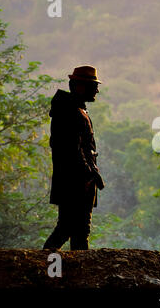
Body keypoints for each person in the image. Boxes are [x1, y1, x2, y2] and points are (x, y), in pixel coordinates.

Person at [43, 65, 105, 251]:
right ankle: (45, 264)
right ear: (79, 86)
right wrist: (88, 174)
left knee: (76, 230)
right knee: (69, 228)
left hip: (76, 179)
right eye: (93, 85)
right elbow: (73, 150)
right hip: (75, 181)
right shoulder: (69, 112)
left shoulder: (72, 110)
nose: (97, 90)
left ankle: (69, 272)